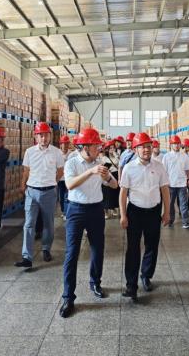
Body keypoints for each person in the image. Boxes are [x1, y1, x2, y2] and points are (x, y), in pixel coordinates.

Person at [60, 128, 118, 318]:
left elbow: (114, 185)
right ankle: (68, 297)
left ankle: (95, 283)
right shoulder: (72, 162)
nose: (99, 149)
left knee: (97, 249)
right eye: (95, 146)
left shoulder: (99, 163)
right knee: (72, 253)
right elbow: (69, 184)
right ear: (85, 147)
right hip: (76, 210)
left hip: (96, 210)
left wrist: (106, 176)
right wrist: (90, 172)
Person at [119, 132, 170, 300]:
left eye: (148, 146)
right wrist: (123, 215)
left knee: (152, 246)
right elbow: (123, 193)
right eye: (142, 147)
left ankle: (146, 275)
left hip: (154, 212)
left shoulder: (159, 166)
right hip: (134, 212)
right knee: (133, 249)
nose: (146, 150)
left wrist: (167, 212)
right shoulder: (129, 168)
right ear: (136, 149)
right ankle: (131, 285)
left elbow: (165, 190)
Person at [15, 122, 65, 270]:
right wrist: (22, 184)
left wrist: (51, 182)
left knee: (48, 223)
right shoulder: (29, 152)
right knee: (29, 224)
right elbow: (26, 171)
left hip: (49, 192)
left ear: (50, 136)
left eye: (46, 135)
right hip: (32, 191)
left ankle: (46, 249)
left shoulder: (57, 152)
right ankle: (27, 257)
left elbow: (60, 171)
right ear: (36, 137)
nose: (44, 138)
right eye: (40, 135)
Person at [162, 135, 189, 229]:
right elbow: (164, 171)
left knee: (183, 204)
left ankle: (185, 222)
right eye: (174, 144)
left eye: (178, 144)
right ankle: (171, 221)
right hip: (170, 184)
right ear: (171, 145)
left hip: (182, 184)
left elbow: (187, 169)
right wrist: (164, 183)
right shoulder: (166, 156)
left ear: (180, 145)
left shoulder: (184, 156)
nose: (176, 145)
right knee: (170, 204)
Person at [101, 140, 120, 219]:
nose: (112, 149)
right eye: (110, 148)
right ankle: (106, 211)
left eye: (113, 148)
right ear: (107, 149)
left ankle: (114, 209)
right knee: (107, 194)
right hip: (108, 175)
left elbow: (119, 165)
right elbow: (104, 168)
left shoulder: (116, 156)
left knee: (115, 194)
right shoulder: (104, 158)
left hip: (116, 175)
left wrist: (116, 156)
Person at [58, 135, 71, 219]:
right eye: (63, 144)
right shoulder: (57, 153)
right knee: (61, 197)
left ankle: (66, 212)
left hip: (68, 179)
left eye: (66, 144)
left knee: (67, 196)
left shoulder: (71, 154)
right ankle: (63, 211)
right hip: (60, 179)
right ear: (60, 144)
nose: (65, 145)